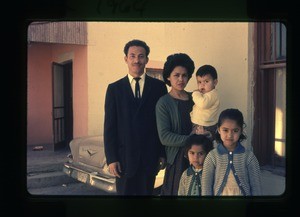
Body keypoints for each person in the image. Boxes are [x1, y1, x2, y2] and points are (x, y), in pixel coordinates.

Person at [103, 39, 168, 195]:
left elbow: (162, 124)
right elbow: (109, 127)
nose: (137, 60)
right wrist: (112, 158)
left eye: (141, 56)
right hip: (124, 160)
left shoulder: (159, 87)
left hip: (150, 158)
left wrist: (161, 153)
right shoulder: (114, 89)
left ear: (146, 59)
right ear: (126, 59)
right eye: (132, 56)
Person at [156, 53, 195, 195]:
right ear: (168, 77)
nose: (181, 79)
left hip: (199, 157)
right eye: (176, 75)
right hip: (178, 160)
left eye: (185, 75)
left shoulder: (196, 98)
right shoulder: (164, 103)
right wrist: (191, 139)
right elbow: (164, 137)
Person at [201, 108, 262, 196]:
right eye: (225, 130)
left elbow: (256, 187)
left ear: (241, 130)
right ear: (218, 130)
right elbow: (206, 187)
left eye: (235, 131)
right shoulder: (212, 156)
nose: (230, 135)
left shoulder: (249, 157)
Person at [190, 64, 220, 142]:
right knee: (194, 145)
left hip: (206, 126)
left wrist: (195, 93)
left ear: (215, 82)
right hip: (198, 123)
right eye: (199, 82)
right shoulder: (205, 94)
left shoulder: (213, 94)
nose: (202, 84)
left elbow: (203, 104)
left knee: (200, 145)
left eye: (206, 81)